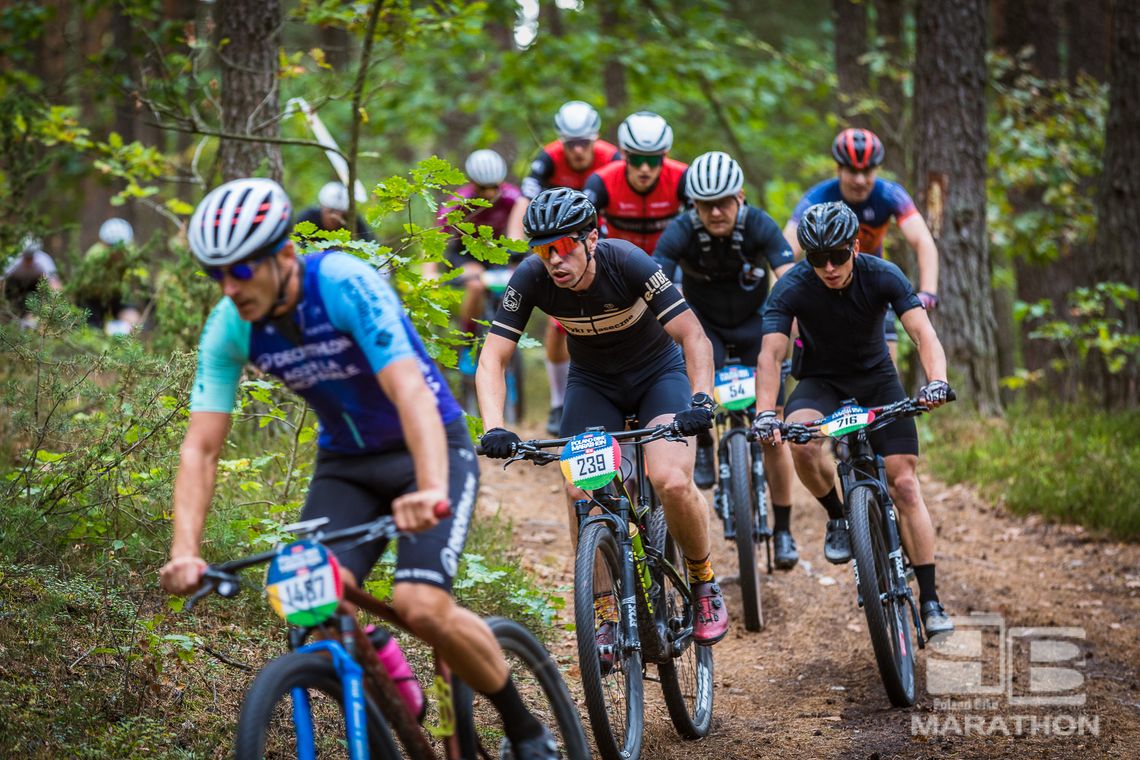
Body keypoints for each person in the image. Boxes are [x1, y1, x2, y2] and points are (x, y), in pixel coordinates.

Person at [160, 177, 559, 758]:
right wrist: (184, 550)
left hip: (429, 446)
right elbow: (200, 448)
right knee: (302, 595)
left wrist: (427, 489)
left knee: (423, 606)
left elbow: (412, 394)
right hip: (346, 465)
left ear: (284, 255)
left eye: (242, 270)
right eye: (215, 274)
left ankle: (525, 730)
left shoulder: (345, 283)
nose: (229, 286)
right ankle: (386, 672)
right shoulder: (230, 325)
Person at [476, 188, 730, 646]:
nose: (553, 259)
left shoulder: (629, 263)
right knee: (580, 489)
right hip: (594, 384)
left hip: (658, 376)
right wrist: (494, 425)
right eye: (541, 248)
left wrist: (701, 399)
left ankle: (703, 580)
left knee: (670, 478)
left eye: (563, 246)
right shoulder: (531, 277)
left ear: (591, 239)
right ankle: (605, 608)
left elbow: (693, 336)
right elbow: (493, 357)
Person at [754, 201, 955, 639]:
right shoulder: (791, 287)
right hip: (821, 381)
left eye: (838, 256)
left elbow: (923, 333)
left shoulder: (883, 274)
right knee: (802, 443)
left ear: (856, 246)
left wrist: (936, 381)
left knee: (903, 483)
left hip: (877, 380)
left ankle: (931, 598)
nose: (828, 267)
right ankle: (839, 516)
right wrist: (765, 412)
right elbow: (771, 354)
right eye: (817, 258)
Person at [653, 151, 800, 569]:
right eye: (705, 204)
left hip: (756, 327)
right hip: (706, 330)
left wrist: (793, 340)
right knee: (693, 385)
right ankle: (704, 446)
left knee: (772, 430)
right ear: (692, 206)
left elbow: (790, 283)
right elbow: (656, 286)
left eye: (723, 202)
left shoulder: (760, 225)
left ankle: (785, 529)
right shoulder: (681, 230)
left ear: (740, 196)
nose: (715, 212)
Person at [507, 100, 623, 436]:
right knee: (559, 324)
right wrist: (516, 248)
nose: (577, 151)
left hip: (601, 238)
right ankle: (559, 403)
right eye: (570, 144)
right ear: (561, 140)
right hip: (560, 246)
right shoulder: (547, 158)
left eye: (584, 144)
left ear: (595, 138)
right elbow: (522, 203)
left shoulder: (612, 157)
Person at [783, 128, 940, 364]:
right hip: (828, 282)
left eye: (867, 172)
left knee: (888, 363)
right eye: (852, 171)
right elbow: (785, 251)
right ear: (838, 170)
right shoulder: (818, 197)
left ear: (876, 170)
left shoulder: (889, 194)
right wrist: (787, 303)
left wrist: (928, 292)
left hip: (871, 285)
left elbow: (923, 240)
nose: (860, 180)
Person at [428, 149, 524, 331]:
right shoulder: (459, 203)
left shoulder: (513, 198)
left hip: (497, 251)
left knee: (513, 287)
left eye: (494, 187)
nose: (489, 194)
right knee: (476, 285)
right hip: (465, 254)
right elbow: (436, 236)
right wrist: (429, 272)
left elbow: (518, 234)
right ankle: (468, 341)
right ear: (473, 183)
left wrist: (517, 261)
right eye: (483, 188)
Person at [583, 111, 689, 256]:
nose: (644, 169)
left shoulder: (682, 177)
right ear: (624, 154)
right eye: (636, 159)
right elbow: (582, 230)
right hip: (617, 260)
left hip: (666, 257)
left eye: (653, 160)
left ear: (665, 155)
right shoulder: (601, 181)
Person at [72, 217, 146, 333]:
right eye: (111, 246)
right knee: (91, 330)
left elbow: (141, 282)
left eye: (120, 247)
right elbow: (85, 289)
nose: (115, 252)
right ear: (103, 244)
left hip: (118, 296)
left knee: (134, 322)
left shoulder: (132, 256)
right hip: (93, 299)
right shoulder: (94, 257)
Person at [3, 235, 63, 321]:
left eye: (31, 257)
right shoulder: (13, 260)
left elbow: (55, 286)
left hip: (34, 287)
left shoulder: (44, 260)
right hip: (14, 287)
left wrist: (46, 307)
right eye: (26, 257)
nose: (28, 261)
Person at [293, 181, 377, 242]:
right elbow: (295, 241)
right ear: (322, 207)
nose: (334, 216)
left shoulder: (351, 220)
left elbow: (370, 241)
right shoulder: (309, 218)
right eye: (331, 211)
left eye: (339, 212)